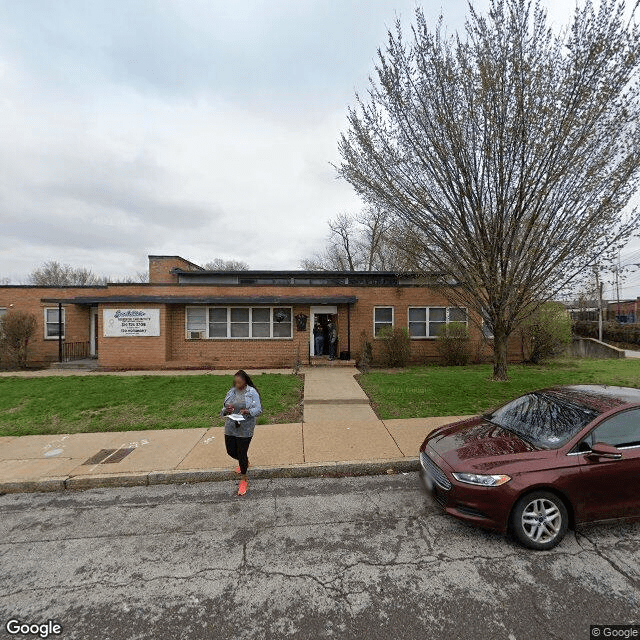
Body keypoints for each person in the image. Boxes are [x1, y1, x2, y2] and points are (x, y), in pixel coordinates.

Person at [221, 370, 262, 495]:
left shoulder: (252, 392)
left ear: (245, 381)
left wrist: (247, 412)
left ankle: (244, 478)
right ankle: (244, 461)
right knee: (230, 451)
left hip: (245, 426)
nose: (237, 384)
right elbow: (223, 408)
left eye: (240, 382)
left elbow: (259, 409)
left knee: (241, 452)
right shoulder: (231, 391)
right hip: (231, 425)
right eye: (236, 382)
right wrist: (226, 410)